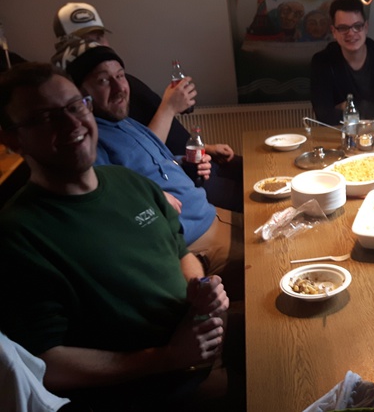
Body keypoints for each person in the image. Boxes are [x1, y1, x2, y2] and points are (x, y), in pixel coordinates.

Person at [0, 62, 232, 410]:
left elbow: (180, 253)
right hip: (161, 390)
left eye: (76, 106)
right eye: (46, 117)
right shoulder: (19, 235)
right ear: (12, 139)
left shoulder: (130, 183)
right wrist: (167, 357)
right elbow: (45, 364)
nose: (72, 124)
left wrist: (199, 291)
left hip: (204, 341)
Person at [51, 39, 244, 300]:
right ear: (80, 94)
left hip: (212, 214)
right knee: (279, 259)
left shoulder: (126, 121)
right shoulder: (90, 141)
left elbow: (158, 162)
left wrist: (187, 162)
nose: (119, 87)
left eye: (121, 76)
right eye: (103, 80)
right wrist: (148, 197)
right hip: (195, 244)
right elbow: (107, 202)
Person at [53, 2, 243, 212]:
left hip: (190, 166)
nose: (96, 46)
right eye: (86, 41)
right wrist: (169, 107)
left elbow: (150, 149)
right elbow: (137, 162)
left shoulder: (125, 87)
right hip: (185, 187)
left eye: (99, 37)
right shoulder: (97, 118)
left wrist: (205, 148)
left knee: (255, 169)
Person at [310, 0, 374, 126]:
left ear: (366, 27)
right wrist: (371, 110)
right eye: (343, 28)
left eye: (357, 26)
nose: (351, 33)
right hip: (339, 135)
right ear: (334, 32)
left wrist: (349, 106)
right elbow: (323, 116)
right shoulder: (321, 62)